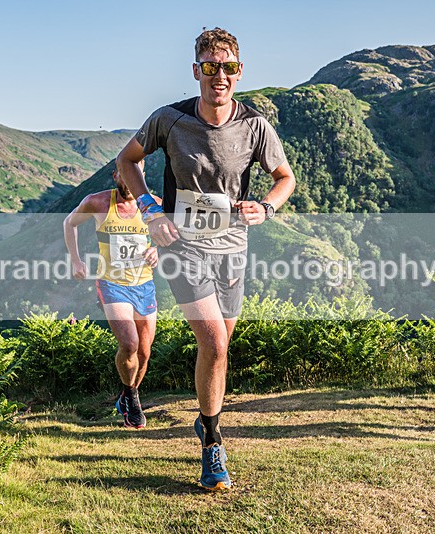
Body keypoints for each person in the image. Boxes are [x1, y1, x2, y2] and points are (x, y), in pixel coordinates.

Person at [116, 27, 296, 490]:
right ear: (197, 71)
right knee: (214, 343)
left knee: (220, 346)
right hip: (182, 247)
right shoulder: (169, 120)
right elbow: (126, 162)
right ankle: (213, 442)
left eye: (229, 68)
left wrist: (268, 207)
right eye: (211, 67)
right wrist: (151, 210)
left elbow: (284, 177)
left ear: (240, 72)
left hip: (233, 248)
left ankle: (204, 416)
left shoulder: (255, 125)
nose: (220, 77)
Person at [63, 162, 160, 429]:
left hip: (144, 284)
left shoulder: (153, 205)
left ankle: (127, 394)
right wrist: (76, 260)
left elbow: (169, 236)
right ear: (116, 175)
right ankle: (132, 398)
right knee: (129, 344)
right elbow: (69, 222)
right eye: (125, 174)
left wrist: (158, 251)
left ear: (142, 175)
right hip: (111, 284)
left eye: (136, 174)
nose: (130, 180)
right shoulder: (98, 202)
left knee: (144, 351)